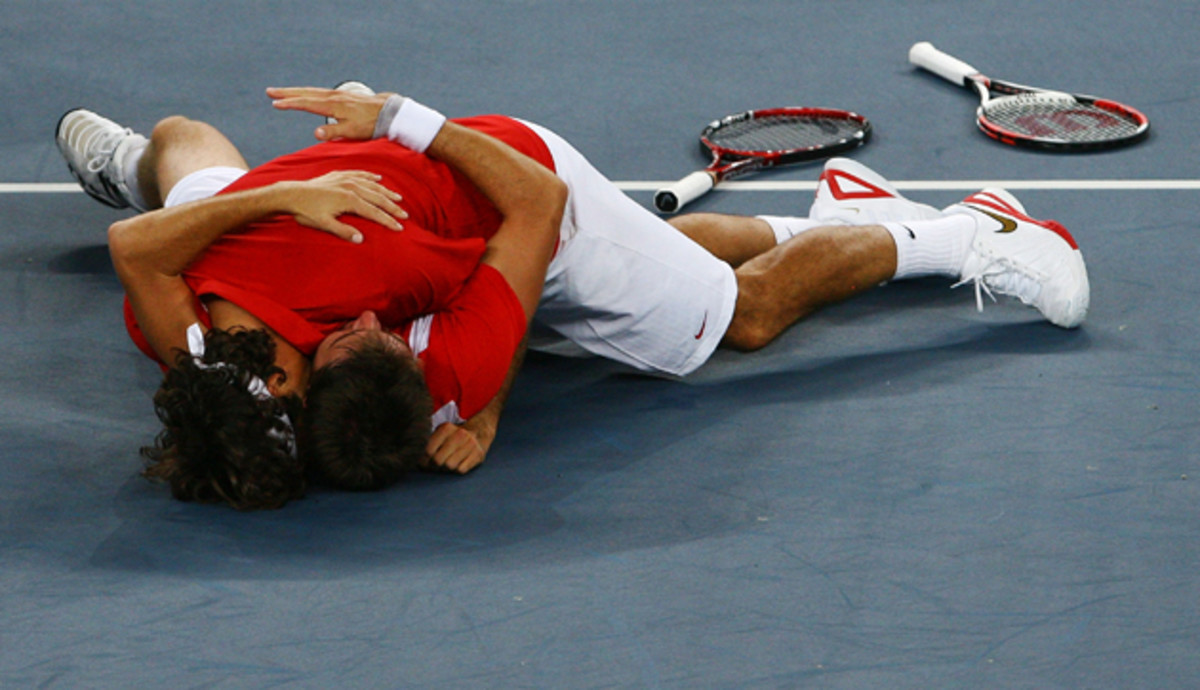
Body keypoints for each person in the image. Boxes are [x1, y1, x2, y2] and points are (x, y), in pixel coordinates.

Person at [58, 85, 1088, 508]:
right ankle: (137, 156)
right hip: (327, 200)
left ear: (269, 370)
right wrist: (276, 193)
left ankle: (962, 234)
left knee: (746, 315)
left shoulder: (391, 312)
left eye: (282, 405)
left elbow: (537, 214)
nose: (294, 416)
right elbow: (140, 244)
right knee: (196, 177)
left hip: (517, 187)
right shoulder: (193, 335)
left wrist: (486, 393)